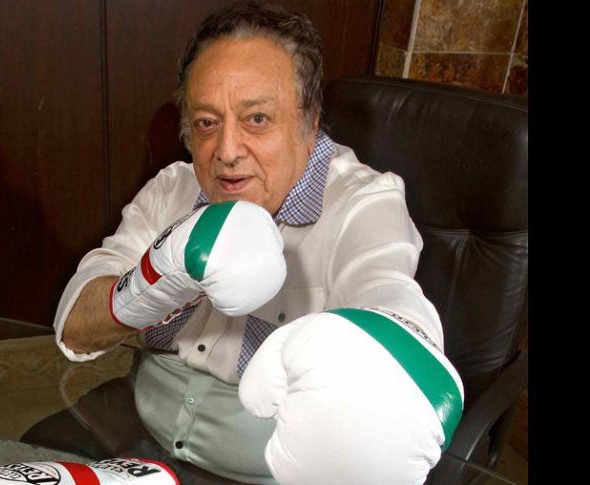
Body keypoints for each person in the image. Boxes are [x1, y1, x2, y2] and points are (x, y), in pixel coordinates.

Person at [53, 2, 464, 484]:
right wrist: (158, 278)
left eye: (257, 119)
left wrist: (393, 356)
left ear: (310, 123)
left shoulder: (363, 204)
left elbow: (388, 294)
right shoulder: (172, 189)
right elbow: (75, 329)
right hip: (133, 439)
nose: (227, 152)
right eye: (207, 122)